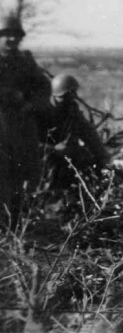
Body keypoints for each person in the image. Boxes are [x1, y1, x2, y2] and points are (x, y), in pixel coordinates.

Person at [0, 12, 51, 226]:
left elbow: (43, 86)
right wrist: (10, 94)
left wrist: (31, 104)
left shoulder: (25, 60)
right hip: (1, 123)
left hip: (22, 123)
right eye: (5, 34)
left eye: (15, 34)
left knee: (26, 170)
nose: (11, 39)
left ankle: (19, 219)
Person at [37, 74, 110, 194]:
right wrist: (52, 149)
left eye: (72, 94)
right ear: (55, 96)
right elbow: (29, 145)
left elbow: (89, 134)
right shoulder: (41, 113)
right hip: (44, 161)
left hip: (66, 158)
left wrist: (103, 158)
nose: (70, 99)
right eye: (65, 96)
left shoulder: (72, 111)